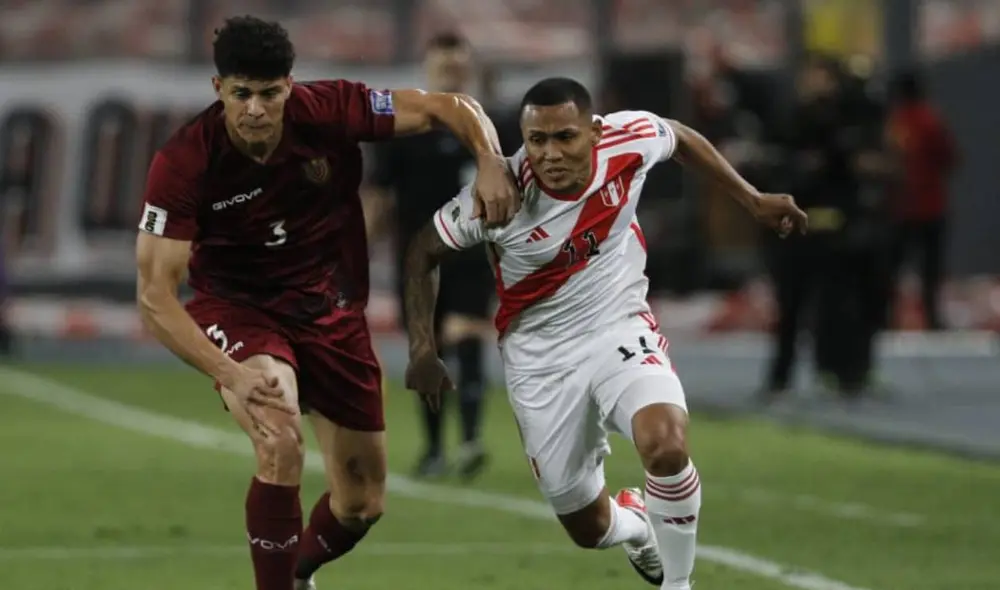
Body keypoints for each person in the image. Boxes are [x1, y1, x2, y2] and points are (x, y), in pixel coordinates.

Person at [134, 16, 518, 590]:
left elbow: (452, 106)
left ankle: (298, 574)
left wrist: (490, 161)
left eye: (270, 93)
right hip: (242, 312)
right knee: (278, 434)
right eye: (242, 94)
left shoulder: (332, 109)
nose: (257, 109)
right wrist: (229, 373)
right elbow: (155, 296)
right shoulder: (186, 160)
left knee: (361, 503)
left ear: (290, 85)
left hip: (331, 312)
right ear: (220, 91)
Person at [401, 78, 806, 589]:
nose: (549, 154)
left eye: (564, 137)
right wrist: (422, 347)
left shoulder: (627, 139)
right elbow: (421, 253)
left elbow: (679, 137)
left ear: (594, 132)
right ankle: (637, 526)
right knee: (587, 527)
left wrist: (751, 199)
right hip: (540, 358)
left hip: (618, 324)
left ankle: (678, 584)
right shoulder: (497, 195)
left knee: (665, 443)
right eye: (536, 140)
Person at [366, 32, 499, 479]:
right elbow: (381, 199)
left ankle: (470, 440)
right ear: (428, 70)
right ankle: (435, 448)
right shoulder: (403, 128)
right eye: (444, 67)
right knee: (428, 351)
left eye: (458, 67)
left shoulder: (487, 126)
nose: (451, 74)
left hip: (472, 255)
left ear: (470, 71)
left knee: (468, 335)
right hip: (418, 261)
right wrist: (358, 251)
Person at [885, 70, 957, 331]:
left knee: (892, 268)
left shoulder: (894, 124)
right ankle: (933, 318)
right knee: (931, 269)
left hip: (901, 208)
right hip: (931, 207)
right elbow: (949, 158)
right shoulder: (932, 120)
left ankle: (886, 318)